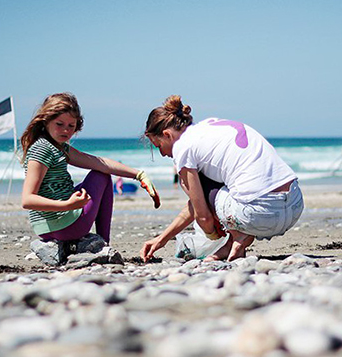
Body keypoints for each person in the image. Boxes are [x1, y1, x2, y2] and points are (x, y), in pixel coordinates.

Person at [140, 95, 304, 262]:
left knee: (191, 183)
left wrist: (211, 232)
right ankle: (234, 241)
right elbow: (197, 203)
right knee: (224, 183)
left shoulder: (183, 147)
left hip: (259, 214)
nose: (162, 153)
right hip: (295, 205)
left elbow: (203, 216)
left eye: (158, 146)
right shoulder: (210, 127)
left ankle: (238, 235)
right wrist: (162, 239)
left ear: (167, 134)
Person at [21, 93, 160, 244]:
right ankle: (104, 242)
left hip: (49, 228)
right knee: (102, 176)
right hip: (65, 226)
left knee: (99, 173)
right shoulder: (42, 149)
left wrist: (139, 175)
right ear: (46, 121)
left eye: (71, 126)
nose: (66, 131)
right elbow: (27, 199)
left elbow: (98, 162)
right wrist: (67, 205)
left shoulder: (58, 147)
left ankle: (100, 243)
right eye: (59, 124)